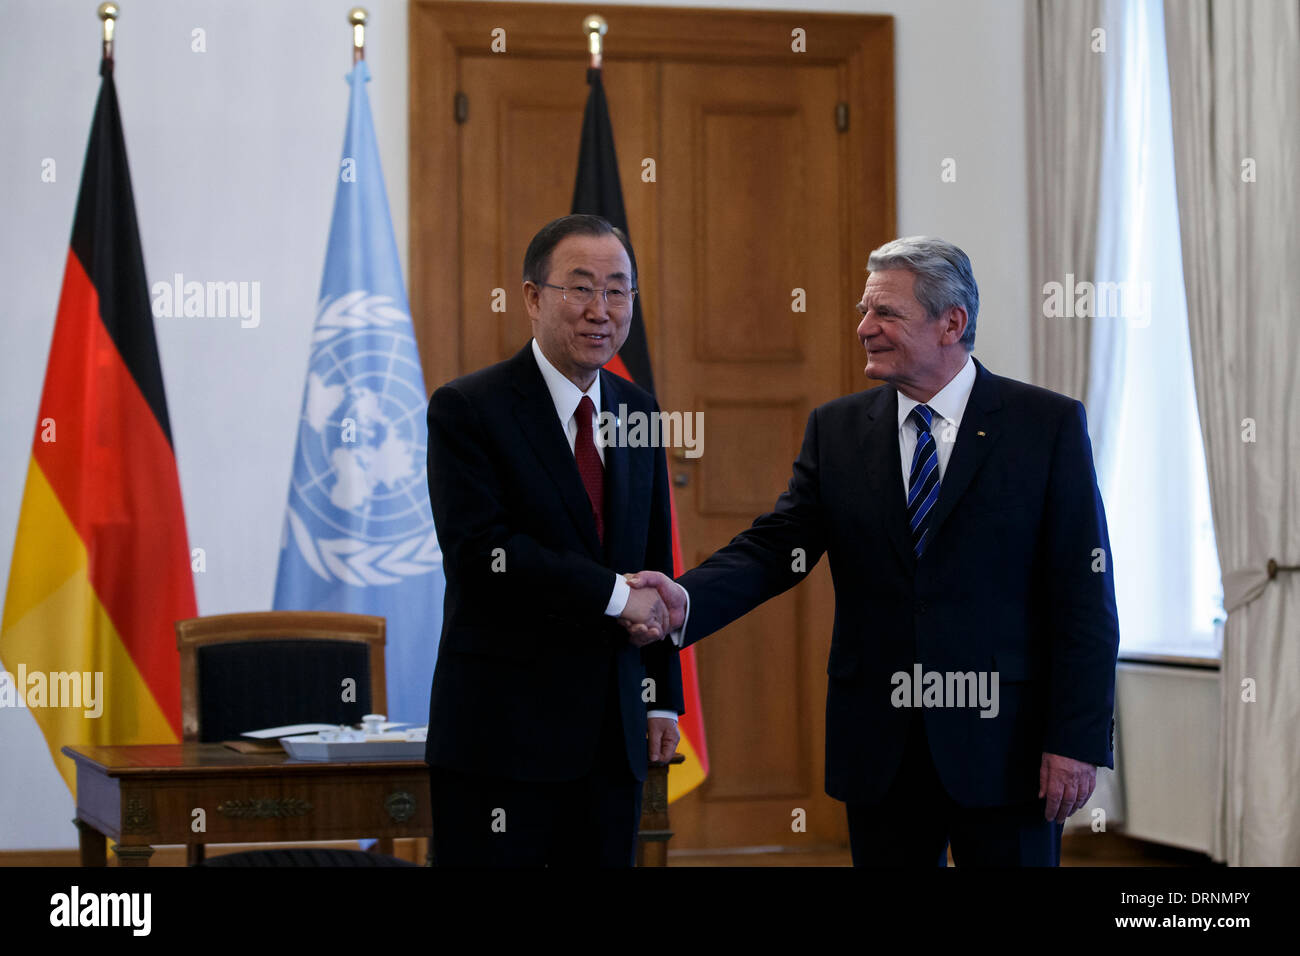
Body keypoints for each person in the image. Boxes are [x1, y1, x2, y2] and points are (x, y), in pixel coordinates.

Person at [626, 236, 1119, 866]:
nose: (864, 328)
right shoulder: (837, 429)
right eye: (864, 310)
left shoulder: (1044, 427)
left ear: (952, 323)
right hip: (882, 748)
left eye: (885, 313)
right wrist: (684, 599)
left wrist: (1075, 739)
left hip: (1006, 749)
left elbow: (1085, 595)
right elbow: (778, 549)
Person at [425, 214, 683, 866]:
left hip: (612, 737)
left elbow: (653, 563)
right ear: (534, 299)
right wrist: (610, 595)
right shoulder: (468, 409)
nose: (602, 311)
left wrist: (661, 700)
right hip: (503, 738)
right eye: (581, 289)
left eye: (618, 291)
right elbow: (480, 554)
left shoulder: (639, 410)